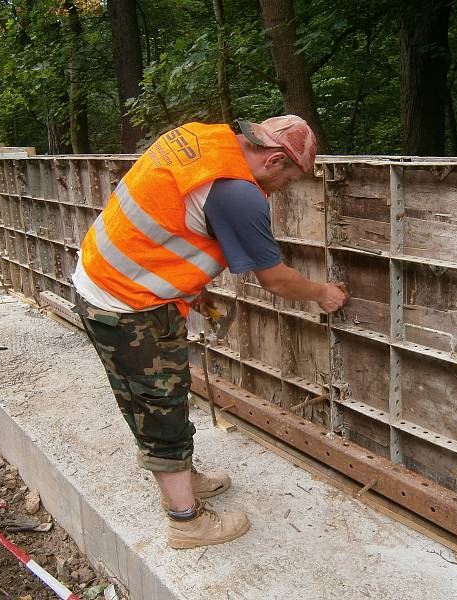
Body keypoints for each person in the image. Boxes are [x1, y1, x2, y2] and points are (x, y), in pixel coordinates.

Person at [72, 115, 348, 549]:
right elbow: (275, 280)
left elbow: (170, 221)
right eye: (289, 178)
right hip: (128, 307)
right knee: (159, 407)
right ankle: (186, 521)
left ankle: (187, 480)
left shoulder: (204, 138)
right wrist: (323, 294)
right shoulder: (237, 194)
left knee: (159, 396)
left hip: (109, 280)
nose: (283, 188)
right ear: (275, 160)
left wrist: (187, 285)